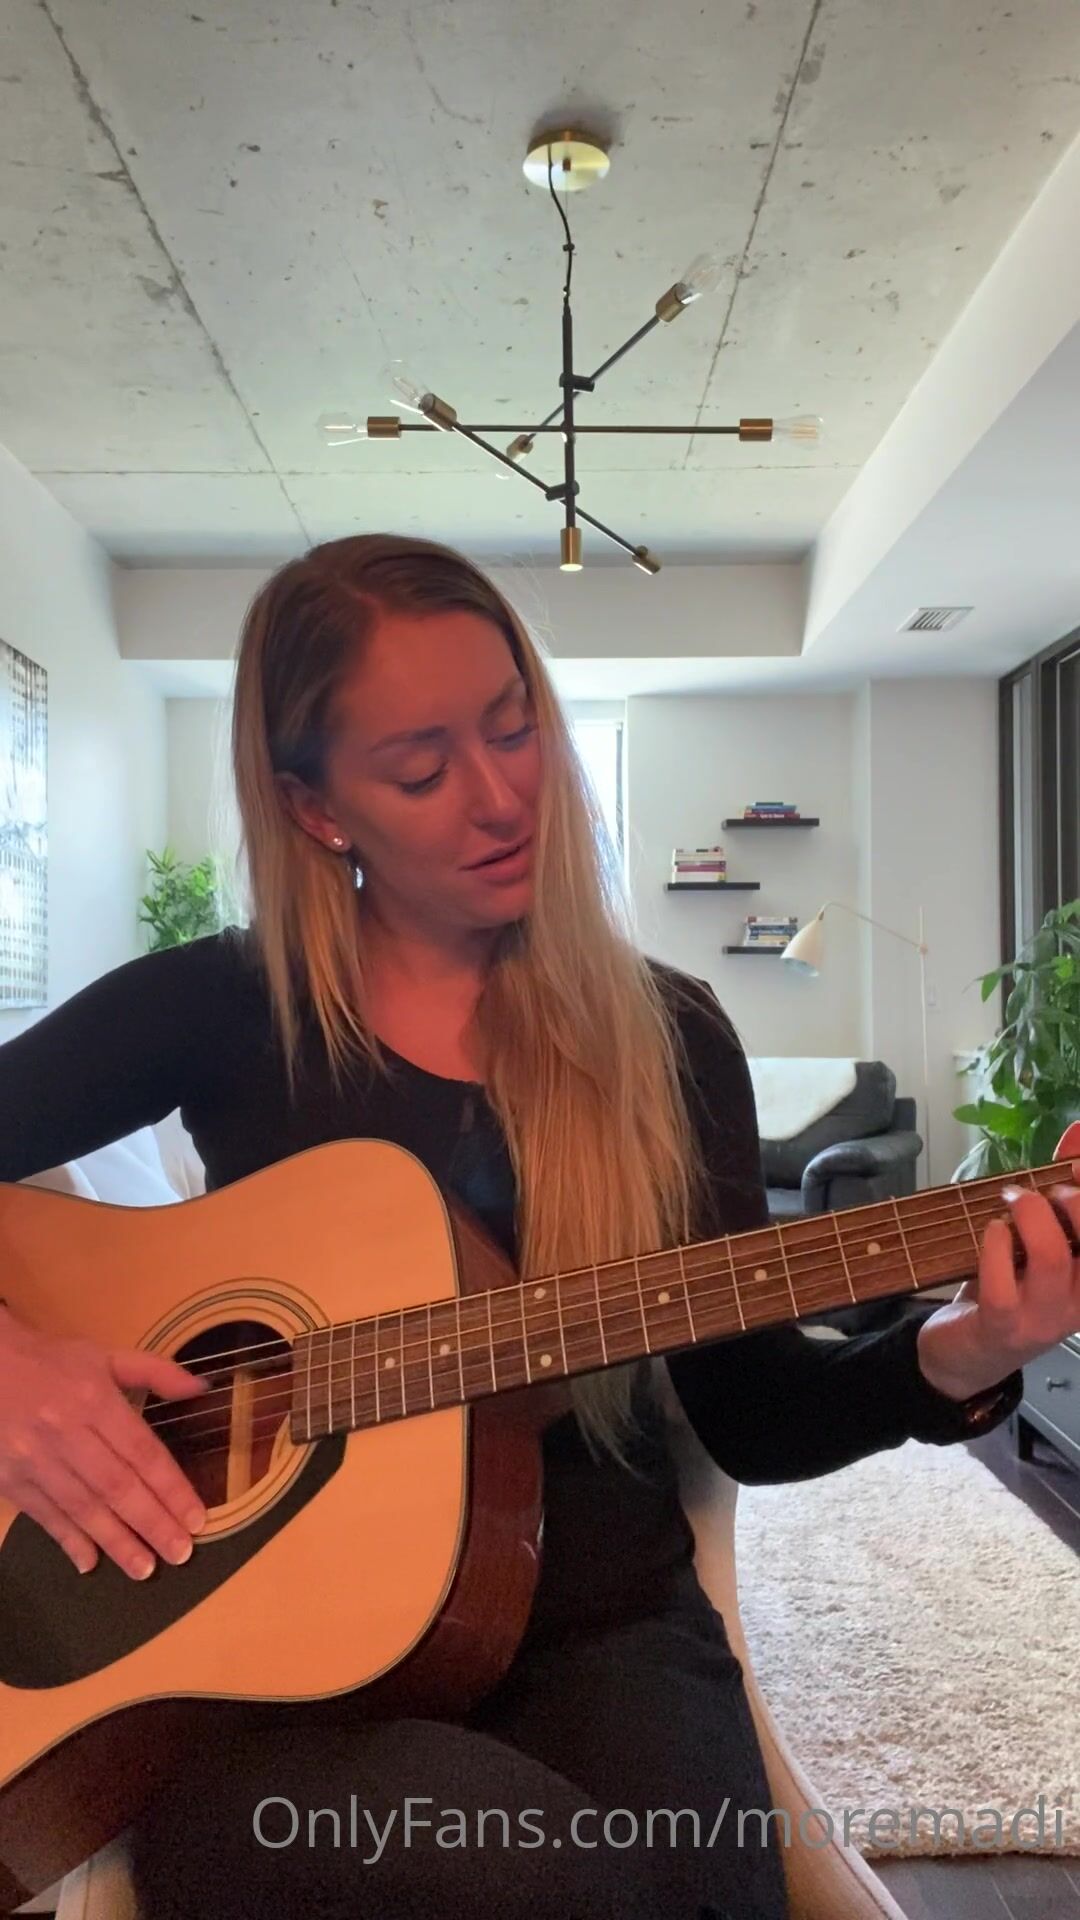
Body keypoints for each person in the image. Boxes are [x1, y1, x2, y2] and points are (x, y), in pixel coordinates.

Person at [0, 533, 1075, 1920]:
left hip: (597, 1619)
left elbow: (752, 1414)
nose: (505, 794)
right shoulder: (222, 1006)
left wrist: (964, 1351)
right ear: (314, 807)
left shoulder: (670, 1036)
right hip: (267, 1683)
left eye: (516, 730)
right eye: (421, 769)